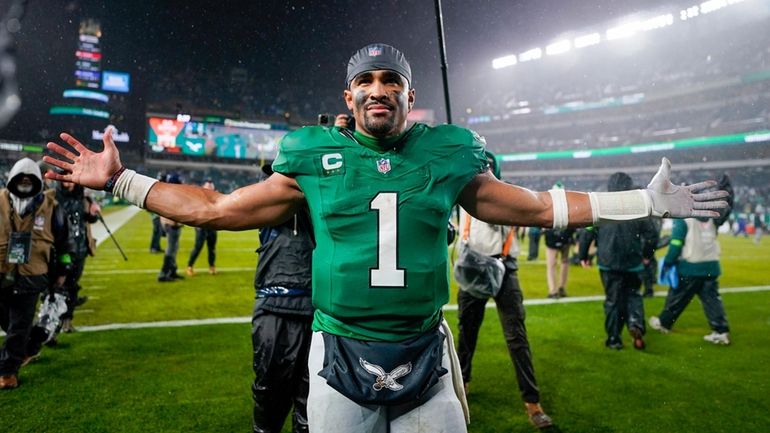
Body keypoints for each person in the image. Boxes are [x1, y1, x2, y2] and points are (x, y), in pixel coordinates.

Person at [45, 43, 728, 432]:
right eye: (366, 80)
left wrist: (640, 201)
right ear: (348, 97)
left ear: (410, 97)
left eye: (391, 80)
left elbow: (537, 207)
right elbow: (214, 208)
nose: (378, 89)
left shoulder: (447, 154)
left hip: (426, 352)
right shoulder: (312, 159)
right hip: (339, 348)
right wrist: (123, 179)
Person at [455, 151, 553, 429]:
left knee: (516, 336)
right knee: (467, 332)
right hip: (474, 265)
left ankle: (532, 403)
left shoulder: (508, 193)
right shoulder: (460, 191)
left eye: (486, 167)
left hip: (504, 267)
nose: (482, 170)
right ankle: (463, 387)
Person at [0, 158, 71, 389]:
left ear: (38, 182)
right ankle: (33, 342)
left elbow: (63, 245)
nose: (24, 182)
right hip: (2, 272)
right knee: (9, 323)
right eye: (20, 179)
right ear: (11, 180)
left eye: (29, 179)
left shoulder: (53, 207)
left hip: (33, 275)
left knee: (18, 325)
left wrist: (62, 272)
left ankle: (8, 371)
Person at [251, 199, 314, 433]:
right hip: (275, 307)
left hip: (318, 309)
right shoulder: (271, 198)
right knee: (269, 395)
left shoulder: (321, 192)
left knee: (312, 400)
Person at [649, 175, 734, 345]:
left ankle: (664, 323)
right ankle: (721, 331)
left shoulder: (684, 219)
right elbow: (726, 209)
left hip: (690, 266)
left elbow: (676, 244)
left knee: (677, 297)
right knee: (712, 300)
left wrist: (668, 262)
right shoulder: (712, 215)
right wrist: (728, 192)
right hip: (710, 265)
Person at [579, 172, 659, 350]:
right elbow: (652, 235)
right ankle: (635, 324)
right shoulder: (638, 207)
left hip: (609, 262)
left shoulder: (601, 206)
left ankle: (614, 339)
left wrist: (583, 256)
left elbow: (587, 232)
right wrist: (647, 254)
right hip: (632, 261)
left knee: (613, 300)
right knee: (633, 295)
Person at [52, 177, 100, 334]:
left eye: (71, 181)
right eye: (65, 181)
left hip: (79, 249)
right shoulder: (52, 197)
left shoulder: (83, 198)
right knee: (55, 287)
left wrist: (94, 213)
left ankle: (67, 321)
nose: (68, 184)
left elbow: (89, 219)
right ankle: (52, 326)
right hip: (59, 249)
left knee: (72, 286)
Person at [543, 185, 574, 299]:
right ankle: (561, 287)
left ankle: (553, 290)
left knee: (551, 265)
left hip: (553, 239)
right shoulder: (568, 206)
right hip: (564, 238)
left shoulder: (548, 205)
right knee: (564, 262)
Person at [186, 179, 218, 276]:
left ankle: (212, 266)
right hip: (201, 226)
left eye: (211, 187)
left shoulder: (216, 197)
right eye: (207, 187)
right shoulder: (198, 197)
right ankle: (189, 266)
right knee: (198, 247)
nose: (209, 189)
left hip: (212, 226)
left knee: (212, 248)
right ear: (203, 187)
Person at [157, 173, 184, 282]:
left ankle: (172, 271)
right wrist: (176, 223)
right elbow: (173, 212)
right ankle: (163, 274)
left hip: (170, 225)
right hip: (172, 225)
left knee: (173, 249)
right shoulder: (172, 194)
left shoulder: (168, 192)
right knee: (171, 250)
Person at [149, 172, 166, 254]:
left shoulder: (156, 186)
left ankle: (157, 247)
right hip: (156, 214)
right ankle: (153, 248)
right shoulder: (157, 187)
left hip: (156, 213)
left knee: (158, 232)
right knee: (157, 231)